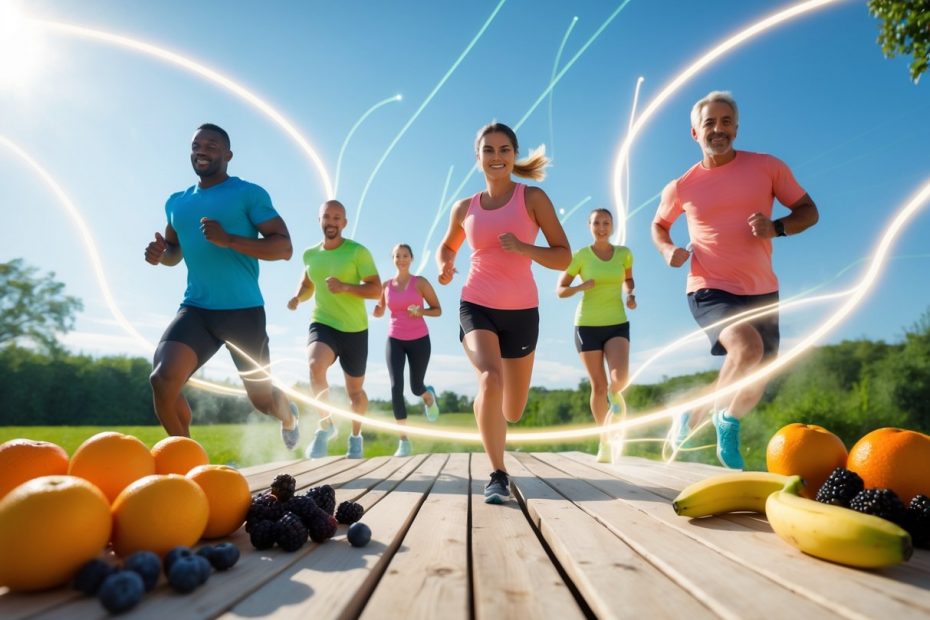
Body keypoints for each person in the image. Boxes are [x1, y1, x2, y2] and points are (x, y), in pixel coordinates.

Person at [652, 91, 819, 468]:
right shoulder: (682, 186)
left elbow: (809, 212)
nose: (718, 129)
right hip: (708, 286)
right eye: (709, 123)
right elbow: (659, 225)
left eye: (726, 122)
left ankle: (712, 416)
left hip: (762, 289)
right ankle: (714, 419)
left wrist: (776, 227)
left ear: (737, 128)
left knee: (755, 377)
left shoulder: (768, 167)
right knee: (747, 350)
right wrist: (667, 251)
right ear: (695, 132)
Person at [437, 122, 570, 503]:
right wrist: (445, 264)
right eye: (489, 150)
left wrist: (526, 249)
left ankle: (485, 404)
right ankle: (498, 473)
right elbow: (447, 246)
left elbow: (564, 256)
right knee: (490, 379)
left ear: (514, 155)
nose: (497, 157)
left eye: (504, 150)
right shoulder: (465, 207)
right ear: (477, 157)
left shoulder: (532, 199)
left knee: (512, 409)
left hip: (522, 312)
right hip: (476, 303)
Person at [144, 123, 300, 448]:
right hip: (197, 309)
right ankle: (188, 461)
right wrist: (161, 254)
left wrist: (228, 239)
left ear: (228, 155)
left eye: (212, 145)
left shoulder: (248, 194)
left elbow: (284, 248)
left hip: (243, 312)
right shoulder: (176, 202)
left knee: (262, 401)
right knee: (162, 380)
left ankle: (288, 416)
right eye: (196, 145)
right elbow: (174, 253)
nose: (202, 150)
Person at [287, 200, 381, 459]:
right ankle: (326, 425)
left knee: (355, 393)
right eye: (327, 216)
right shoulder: (310, 254)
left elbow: (376, 289)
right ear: (319, 220)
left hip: (355, 330)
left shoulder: (357, 252)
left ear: (345, 223)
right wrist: (297, 297)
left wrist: (346, 287)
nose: (332, 221)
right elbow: (308, 283)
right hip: (323, 322)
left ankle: (355, 437)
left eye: (337, 217)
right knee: (315, 365)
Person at [557, 208, 636, 463]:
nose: (601, 227)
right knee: (599, 386)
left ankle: (616, 396)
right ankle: (604, 441)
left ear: (612, 225)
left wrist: (631, 294)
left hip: (617, 323)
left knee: (619, 379)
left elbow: (629, 279)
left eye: (606, 223)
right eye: (596, 223)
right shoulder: (581, 256)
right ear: (589, 226)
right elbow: (561, 290)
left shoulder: (624, 254)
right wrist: (581, 286)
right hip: (587, 326)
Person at [372, 243, 443, 457]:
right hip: (394, 339)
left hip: (419, 339)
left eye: (405, 255)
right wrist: (377, 310)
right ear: (393, 259)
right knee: (396, 387)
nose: (401, 259)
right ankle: (403, 441)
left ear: (411, 258)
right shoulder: (386, 285)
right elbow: (380, 310)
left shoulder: (420, 283)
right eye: (397, 256)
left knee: (415, 387)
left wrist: (421, 311)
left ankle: (428, 396)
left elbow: (438, 310)